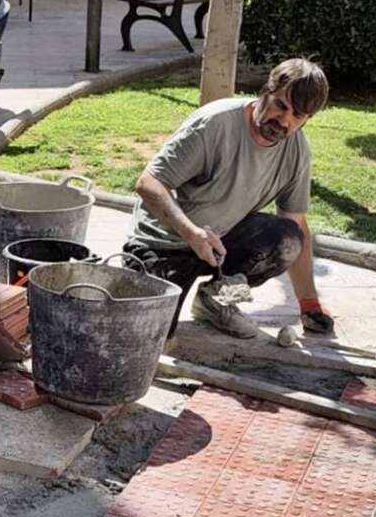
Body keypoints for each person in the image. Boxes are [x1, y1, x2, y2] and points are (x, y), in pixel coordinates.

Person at [123, 58, 334, 339]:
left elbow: (297, 223)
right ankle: (150, 291)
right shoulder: (216, 124)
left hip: (218, 244)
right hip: (163, 244)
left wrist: (309, 303)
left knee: (287, 238)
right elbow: (148, 183)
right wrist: (191, 233)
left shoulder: (296, 151)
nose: (285, 120)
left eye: (298, 116)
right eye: (281, 105)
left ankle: (216, 299)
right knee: (150, 336)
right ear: (265, 92)